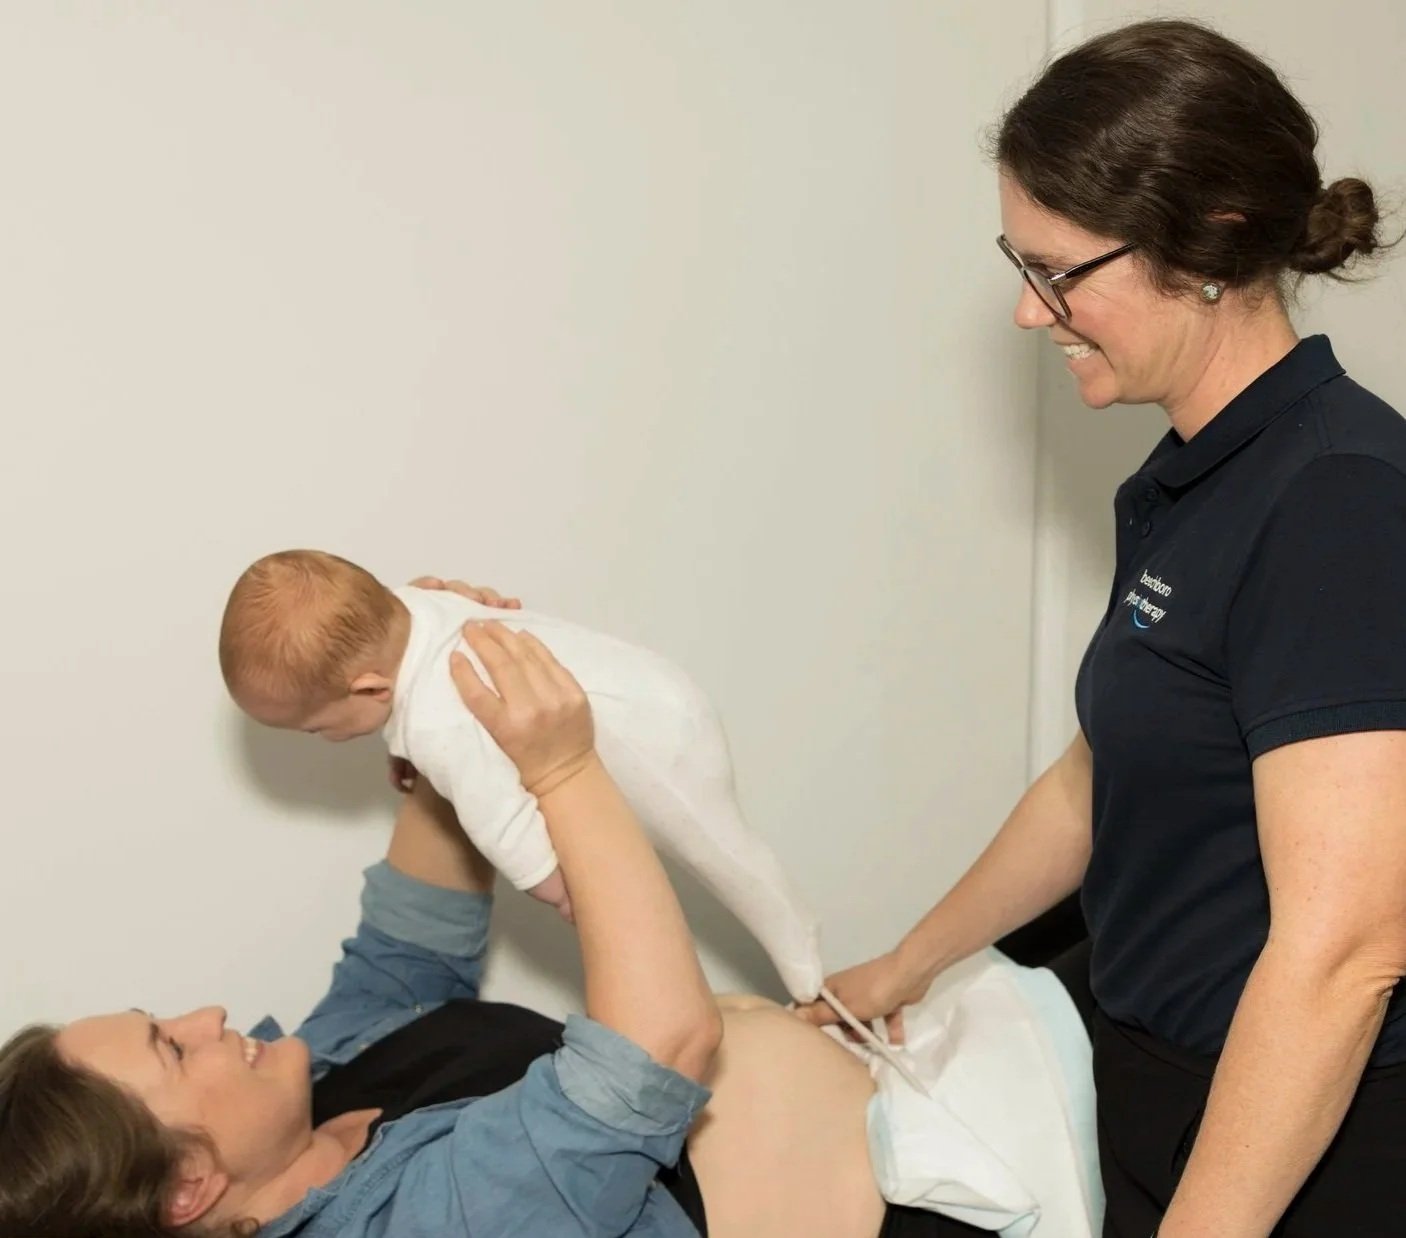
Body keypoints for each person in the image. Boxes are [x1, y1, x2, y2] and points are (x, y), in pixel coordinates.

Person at [798, 17, 1404, 1237]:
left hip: (1289, 1140)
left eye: (1058, 270)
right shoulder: (1190, 475)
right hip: (1142, 1079)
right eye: (1017, 263)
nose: (1030, 312)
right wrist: (902, 965)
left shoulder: (1336, 501)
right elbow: (1099, 773)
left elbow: (1344, 952)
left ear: (1211, 247)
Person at [0, 615, 1006, 1238]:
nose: (209, 1010)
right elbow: (661, 1045)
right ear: (188, 1183)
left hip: (916, 1081)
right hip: (953, 1197)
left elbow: (410, 944)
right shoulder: (425, 1221)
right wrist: (559, 769)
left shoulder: (321, 1075)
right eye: (172, 1045)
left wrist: (429, 687)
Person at [217, 550, 823, 1001]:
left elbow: (501, 820)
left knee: (719, 851)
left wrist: (562, 889)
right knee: (720, 850)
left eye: (317, 728)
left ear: (372, 689)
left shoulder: (439, 723)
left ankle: (808, 971)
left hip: (648, 736)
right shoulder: (410, 607)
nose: (323, 741)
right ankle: (808, 969)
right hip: (655, 687)